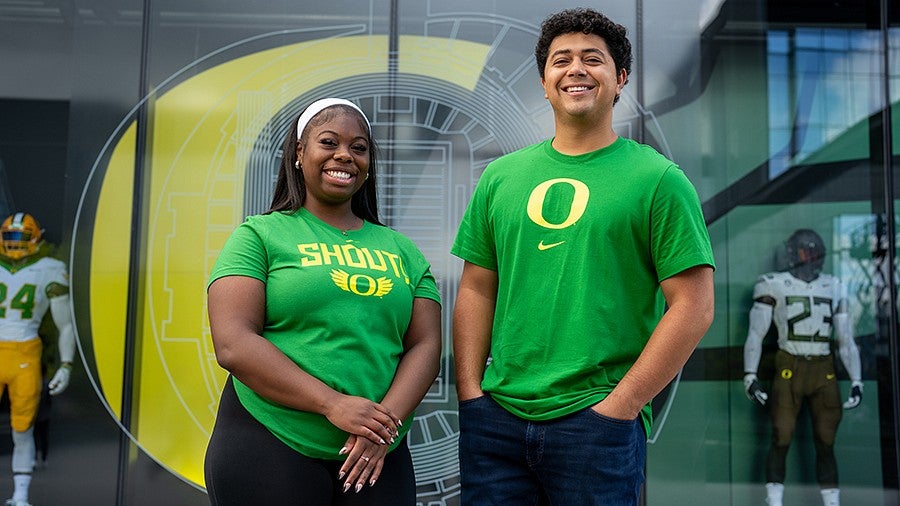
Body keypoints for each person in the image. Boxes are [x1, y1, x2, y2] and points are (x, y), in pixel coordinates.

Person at [451, 7, 715, 505]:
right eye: (561, 60)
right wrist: (471, 394)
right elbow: (476, 286)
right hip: (497, 424)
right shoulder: (499, 178)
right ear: (544, 82)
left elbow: (694, 306)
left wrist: (623, 406)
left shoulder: (658, 180)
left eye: (592, 59)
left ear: (620, 79)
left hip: (598, 424)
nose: (575, 69)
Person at [204, 98, 442, 505]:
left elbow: (425, 344)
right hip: (270, 441)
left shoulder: (402, 250)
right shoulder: (259, 236)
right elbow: (232, 342)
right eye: (328, 142)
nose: (344, 156)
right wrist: (333, 404)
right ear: (299, 154)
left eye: (359, 147)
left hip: (376, 454)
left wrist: (381, 428)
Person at [742, 228, 862, 506]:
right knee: (781, 436)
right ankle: (774, 501)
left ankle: (832, 502)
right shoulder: (774, 283)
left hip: (823, 366)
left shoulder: (833, 285)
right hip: (789, 364)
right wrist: (750, 374)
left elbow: (846, 340)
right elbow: (756, 333)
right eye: (807, 252)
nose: (811, 259)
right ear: (793, 254)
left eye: (815, 253)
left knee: (826, 440)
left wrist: (857, 379)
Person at [0, 212, 75, 506]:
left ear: (35, 238)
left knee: (23, 427)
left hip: (25, 351)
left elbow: (65, 324)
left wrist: (66, 364)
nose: (15, 244)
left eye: (20, 237)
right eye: (10, 237)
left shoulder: (50, 269)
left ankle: (21, 496)